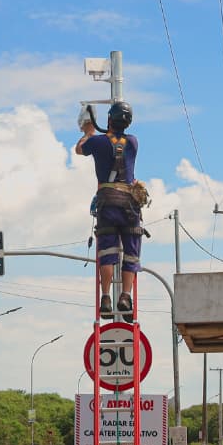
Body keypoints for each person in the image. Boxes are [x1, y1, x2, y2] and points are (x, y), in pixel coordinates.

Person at [75, 101, 143, 322]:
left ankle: (105, 297)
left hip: (108, 204)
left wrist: (88, 131)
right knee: (131, 254)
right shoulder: (133, 142)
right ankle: (125, 296)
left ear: (108, 120)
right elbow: (116, 142)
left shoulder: (97, 142)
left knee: (107, 252)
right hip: (130, 207)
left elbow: (79, 148)